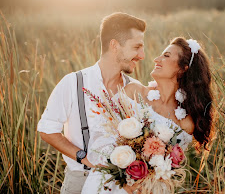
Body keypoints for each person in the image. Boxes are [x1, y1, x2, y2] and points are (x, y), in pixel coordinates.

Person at [82, 37, 214, 194]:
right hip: (108, 181)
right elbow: (100, 133)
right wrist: (121, 171)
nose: (156, 59)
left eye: (166, 56)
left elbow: (169, 168)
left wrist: (146, 182)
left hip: (147, 189)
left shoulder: (184, 122)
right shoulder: (133, 93)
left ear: (183, 68)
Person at [37, 12, 146, 194]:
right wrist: (84, 158)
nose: (142, 55)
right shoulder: (73, 82)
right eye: (137, 47)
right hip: (80, 181)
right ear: (114, 45)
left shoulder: (137, 89)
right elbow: (47, 130)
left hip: (124, 185)